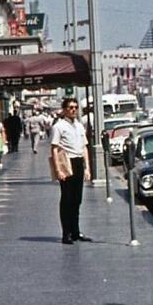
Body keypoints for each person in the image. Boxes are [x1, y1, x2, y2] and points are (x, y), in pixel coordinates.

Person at [50, 97, 92, 245]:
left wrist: (87, 167)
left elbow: (84, 147)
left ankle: (76, 231)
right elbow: (54, 149)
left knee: (77, 199)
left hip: (78, 162)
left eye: (75, 107)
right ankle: (66, 233)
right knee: (67, 199)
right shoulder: (59, 126)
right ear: (64, 109)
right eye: (70, 107)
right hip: (66, 163)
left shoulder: (79, 126)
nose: (73, 110)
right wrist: (58, 170)